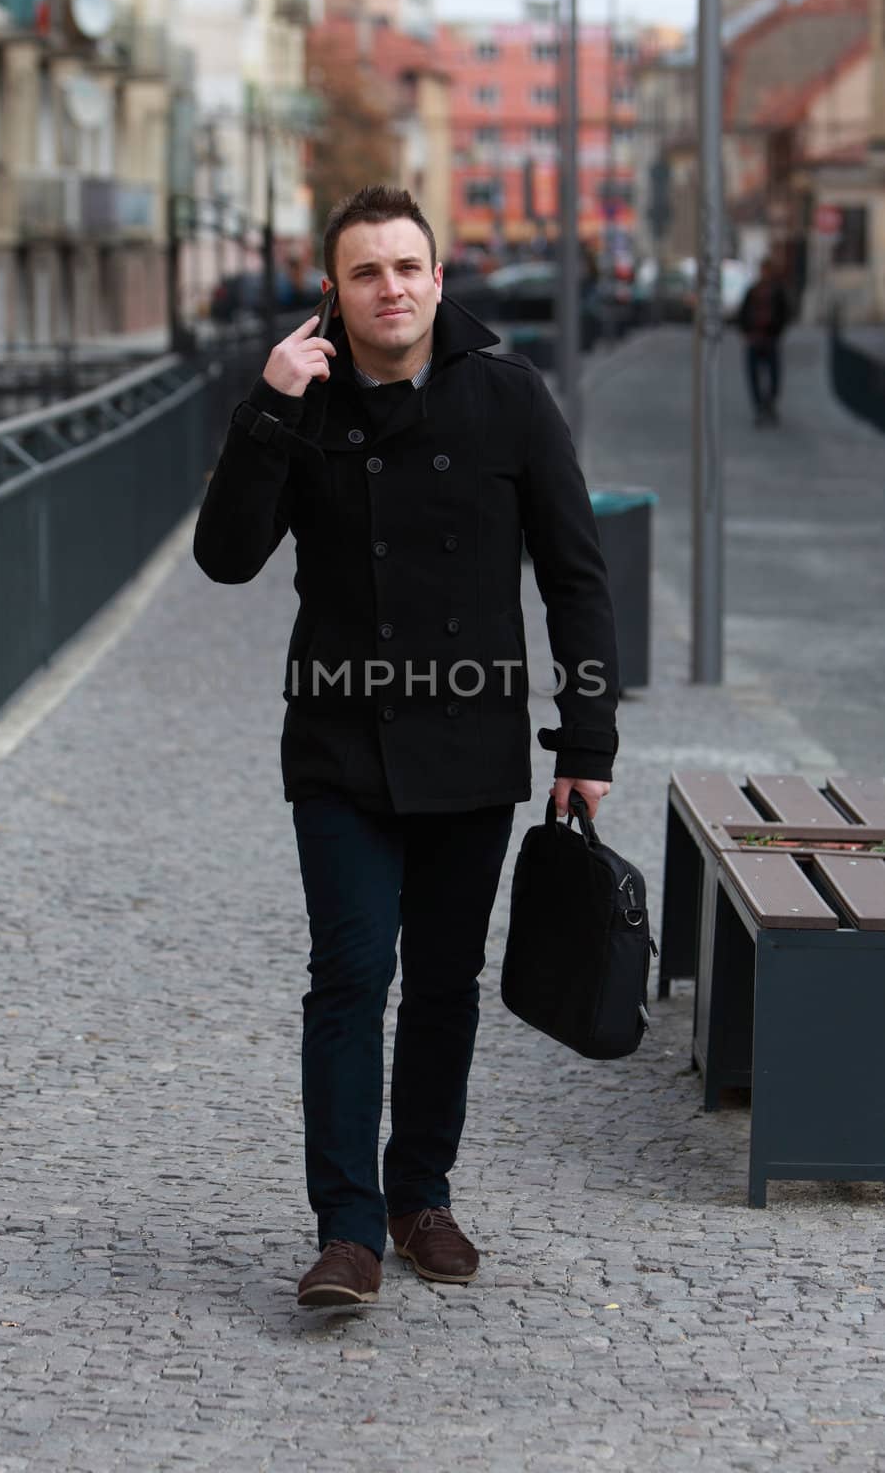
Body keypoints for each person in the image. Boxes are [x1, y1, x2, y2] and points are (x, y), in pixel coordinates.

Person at [193, 185, 619, 1307]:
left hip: (471, 737)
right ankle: (345, 1230)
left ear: (441, 277)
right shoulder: (304, 399)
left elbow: (576, 577)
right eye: (367, 271)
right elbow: (226, 558)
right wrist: (265, 407)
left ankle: (418, 1193)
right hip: (338, 738)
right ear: (333, 291)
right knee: (349, 974)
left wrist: (589, 736)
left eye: (409, 267)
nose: (392, 288)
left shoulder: (509, 396)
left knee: (444, 981)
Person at [738, 257, 791, 426]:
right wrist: (747, 332)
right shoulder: (753, 291)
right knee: (754, 377)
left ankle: (769, 405)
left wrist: (775, 331)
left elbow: (784, 314)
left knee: (774, 378)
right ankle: (759, 407)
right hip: (754, 340)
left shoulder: (777, 291)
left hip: (770, 340)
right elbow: (743, 313)